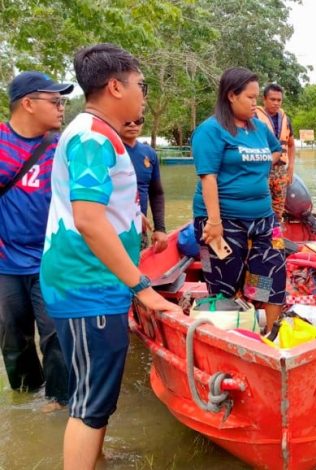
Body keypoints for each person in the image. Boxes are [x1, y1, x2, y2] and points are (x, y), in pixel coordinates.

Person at [39, 43, 182, 470]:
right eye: (140, 85)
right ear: (115, 86)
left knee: (95, 394)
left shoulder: (100, 134)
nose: (144, 95)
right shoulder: (91, 137)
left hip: (96, 284)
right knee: (90, 402)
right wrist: (142, 286)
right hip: (87, 285)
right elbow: (88, 219)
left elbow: (108, 210)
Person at [0, 71, 73, 411]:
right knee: (13, 340)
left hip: (52, 259)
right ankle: (26, 398)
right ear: (28, 104)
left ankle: (59, 401)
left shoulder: (63, 147)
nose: (62, 108)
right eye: (55, 101)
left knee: (57, 334)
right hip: (5, 263)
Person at [192, 67, 286, 327]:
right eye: (251, 98)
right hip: (222, 218)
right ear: (232, 96)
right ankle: (230, 335)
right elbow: (207, 177)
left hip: (263, 217)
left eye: (257, 98)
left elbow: (276, 151)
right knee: (224, 278)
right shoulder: (210, 130)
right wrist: (213, 222)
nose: (256, 104)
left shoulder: (257, 128)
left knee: (271, 271)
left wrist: (258, 170)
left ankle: (270, 333)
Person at [119, 116, 167, 253]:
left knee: (139, 270)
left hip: (140, 230)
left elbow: (156, 193)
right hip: (114, 230)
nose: (133, 124)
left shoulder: (149, 153)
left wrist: (160, 228)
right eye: (127, 120)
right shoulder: (107, 150)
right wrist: (132, 213)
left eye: (138, 120)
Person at [255, 83, 295, 223]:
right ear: (264, 99)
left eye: (279, 100)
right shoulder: (254, 117)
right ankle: (258, 237)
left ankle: (276, 239)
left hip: (280, 170)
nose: (276, 103)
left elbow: (291, 144)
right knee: (260, 206)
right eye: (273, 99)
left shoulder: (286, 119)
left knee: (279, 208)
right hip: (261, 169)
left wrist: (291, 167)